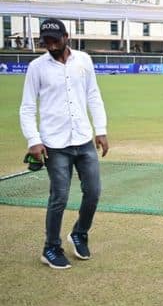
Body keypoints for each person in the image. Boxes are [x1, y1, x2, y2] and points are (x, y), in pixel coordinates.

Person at [19, 18, 109, 270]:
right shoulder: (37, 67)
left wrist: (100, 130)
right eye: (45, 41)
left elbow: (93, 95)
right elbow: (27, 107)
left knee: (93, 192)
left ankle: (80, 233)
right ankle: (51, 247)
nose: (50, 45)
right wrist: (33, 141)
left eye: (55, 40)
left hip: (83, 138)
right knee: (59, 196)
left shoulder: (84, 60)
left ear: (66, 36)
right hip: (54, 143)